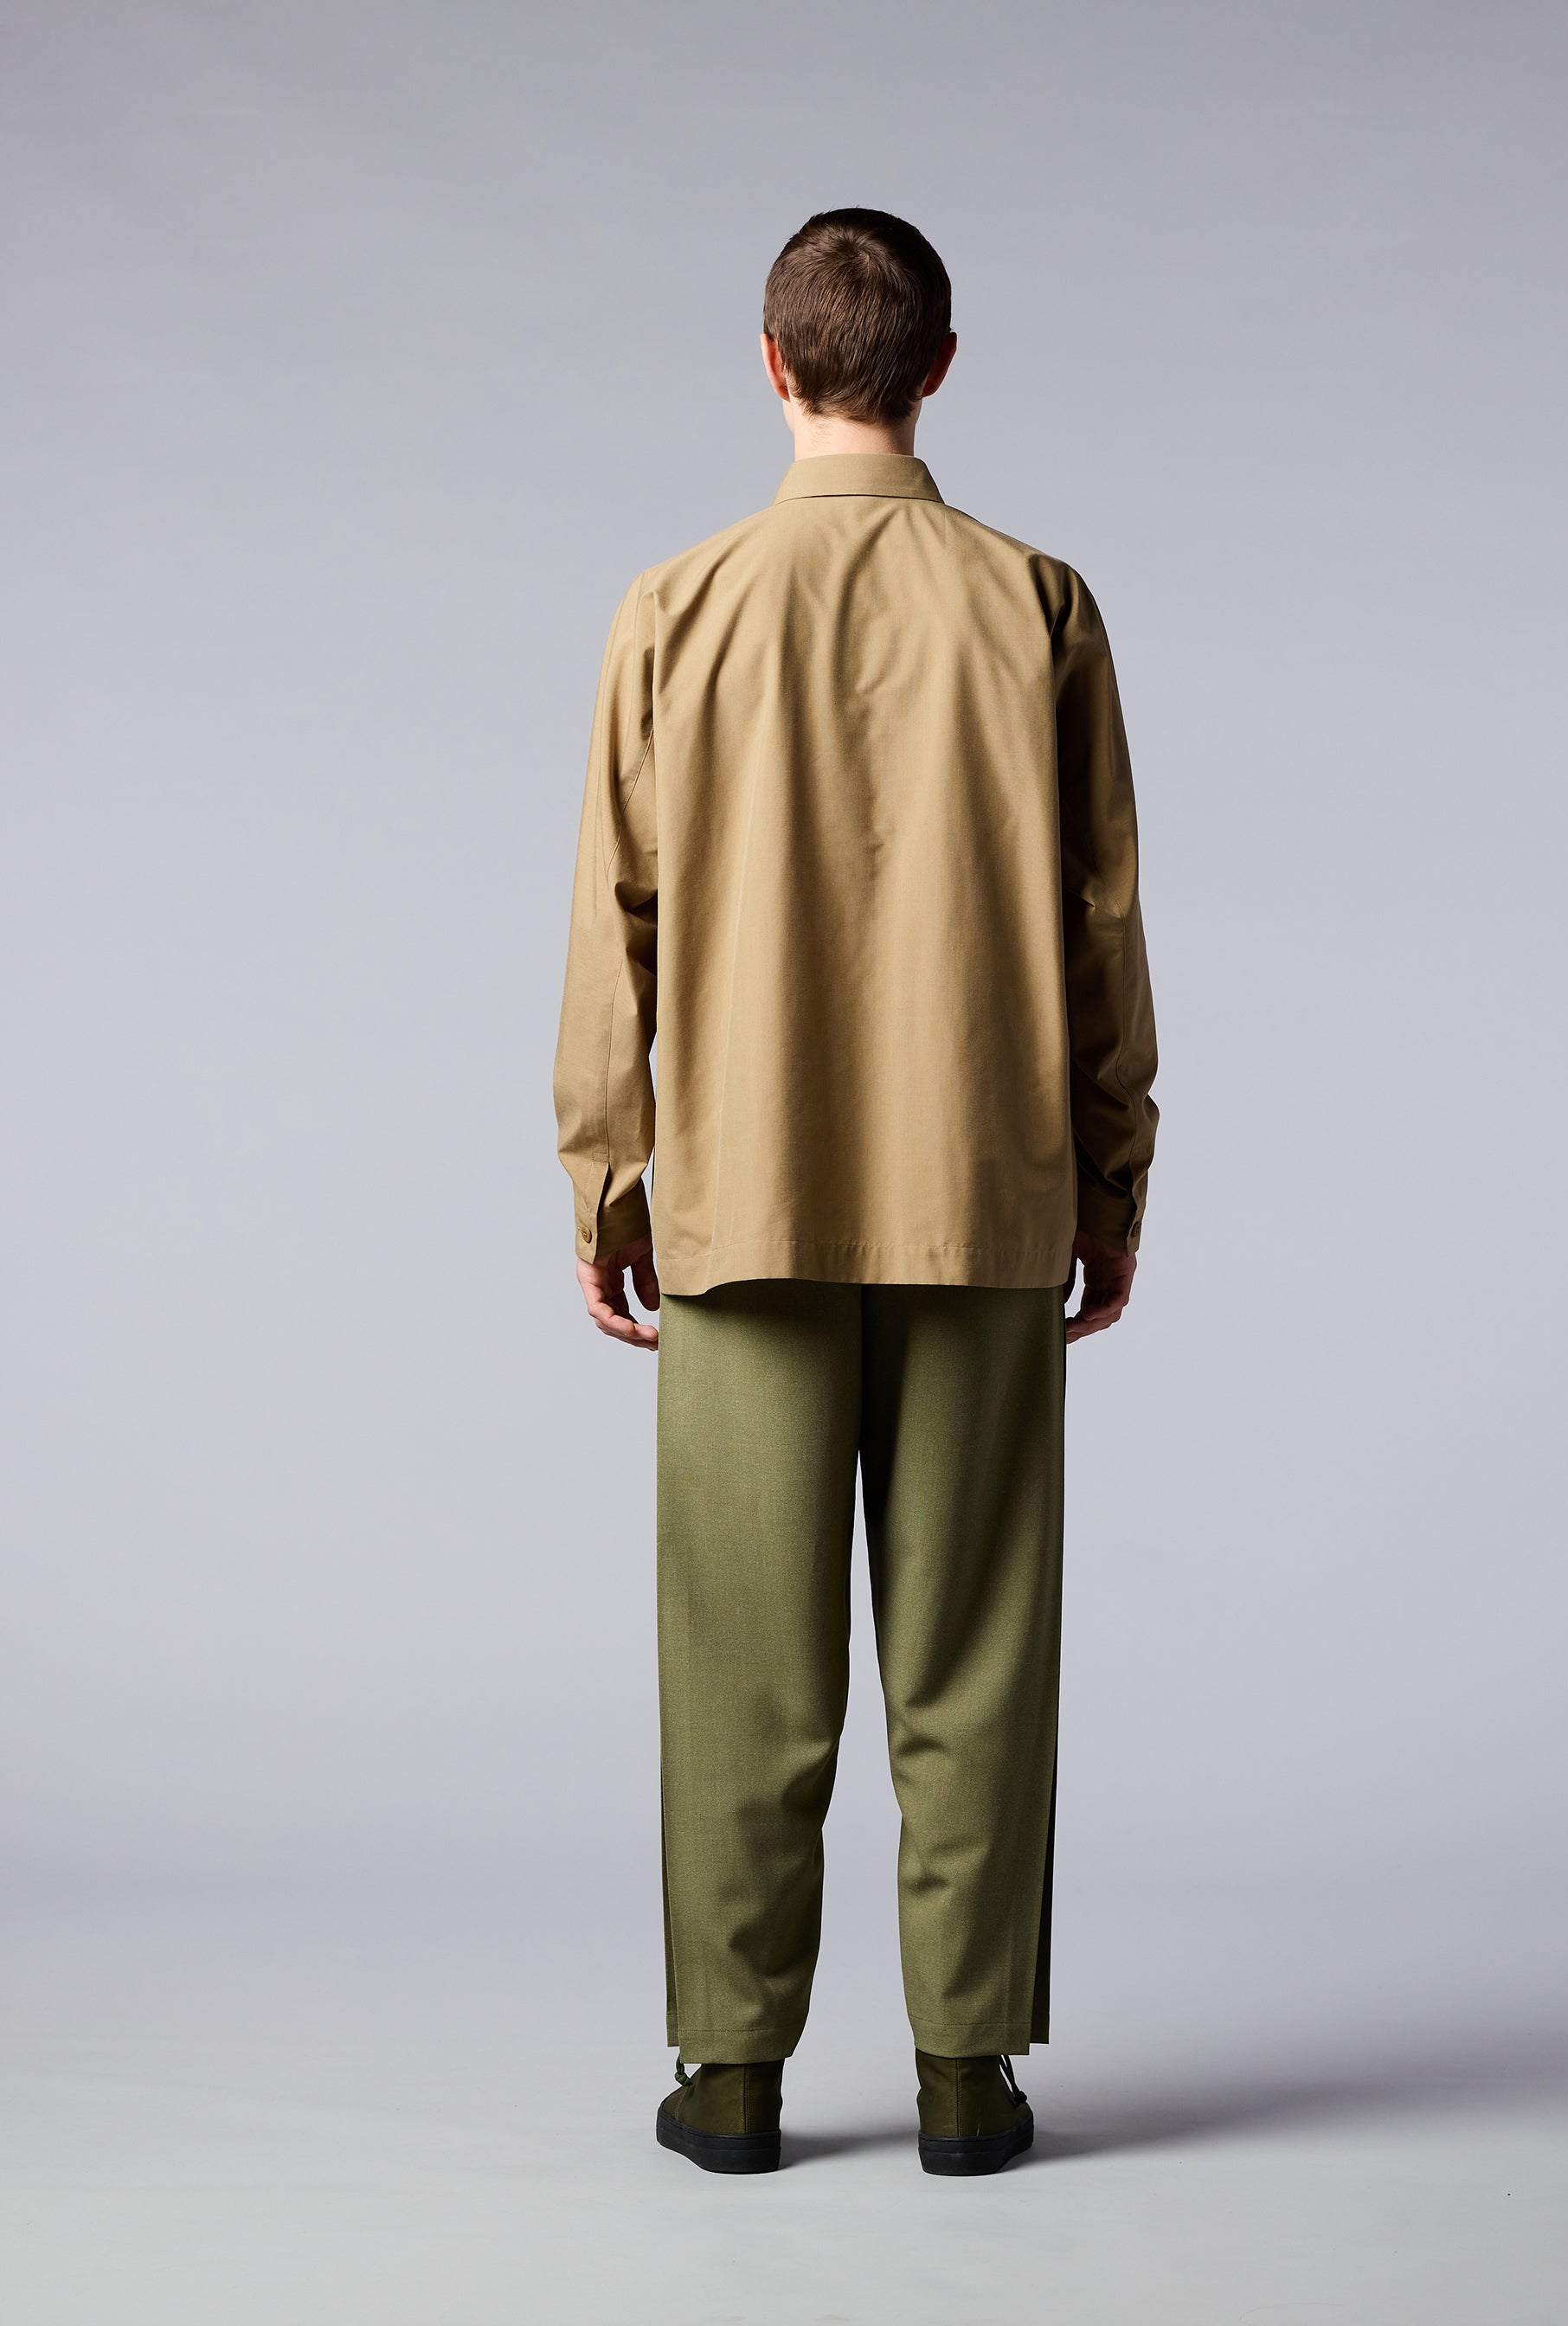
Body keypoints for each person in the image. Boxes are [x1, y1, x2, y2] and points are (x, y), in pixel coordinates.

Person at [553, 208, 1157, 2177]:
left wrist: (609, 1182)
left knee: (745, 1666)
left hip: (746, 1204)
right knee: (974, 1657)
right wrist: (1114, 1175)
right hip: (987, 1199)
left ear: (773, 361)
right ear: (941, 369)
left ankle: (731, 2080)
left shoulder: (676, 608)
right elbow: (1100, 926)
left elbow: (616, 927)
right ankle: (968, 2082)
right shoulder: (1039, 604)